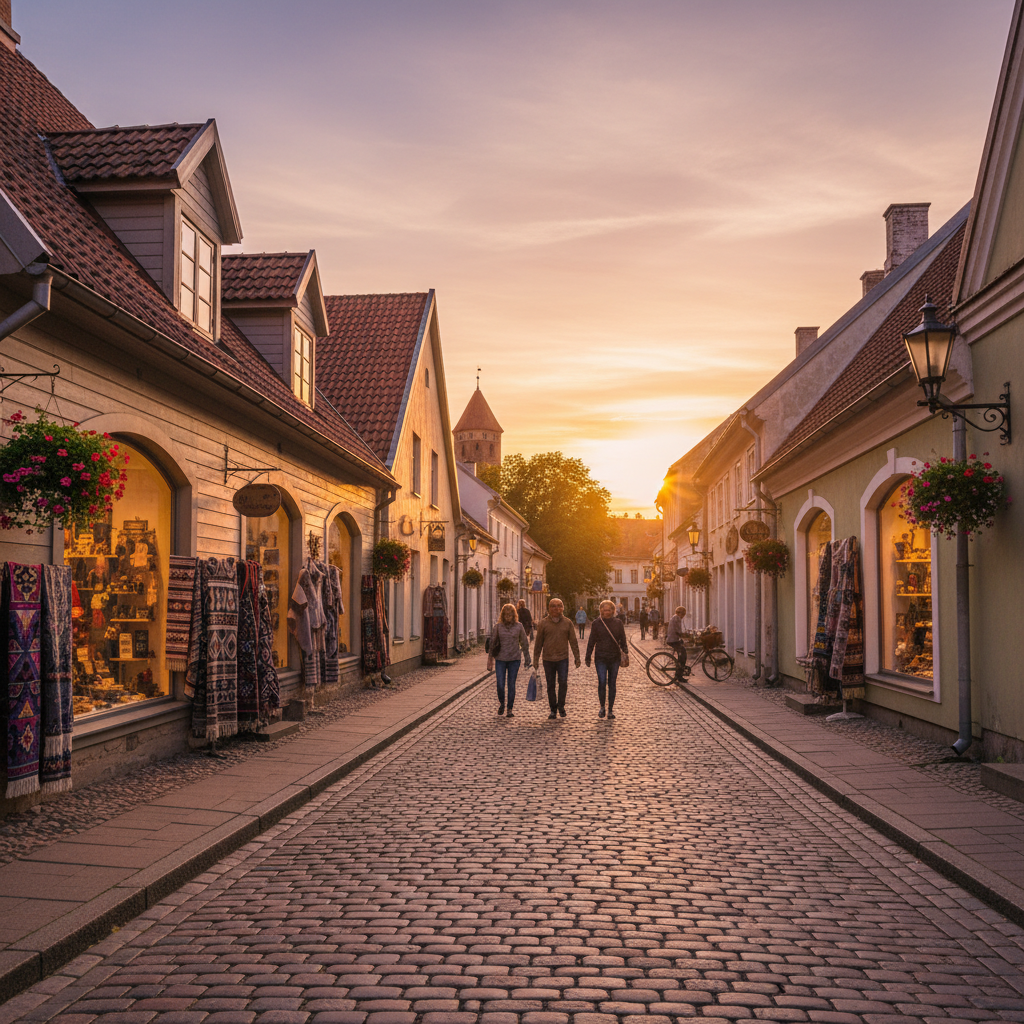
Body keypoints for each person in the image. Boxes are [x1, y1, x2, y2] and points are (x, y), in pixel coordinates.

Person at [534, 598, 581, 719]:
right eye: (553, 606)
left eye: (559, 606)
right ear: (549, 608)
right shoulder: (543, 623)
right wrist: (535, 659)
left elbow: (573, 641)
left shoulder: (567, 623)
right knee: (550, 685)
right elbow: (538, 642)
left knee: (563, 683)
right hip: (548, 659)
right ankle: (553, 709)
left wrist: (577, 657)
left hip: (562, 658)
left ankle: (561, 706)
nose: (556, 608)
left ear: (562, 608)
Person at [585, 599, 629, 720]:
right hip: (601, 657)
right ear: (601, 611)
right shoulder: (596, 623)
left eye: (609, 610)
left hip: (614, 657)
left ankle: (610, 709)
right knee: (602, 681)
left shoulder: (618, 623)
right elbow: (591, 640)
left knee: (612, 683)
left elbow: (623, 639)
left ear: (613, 610)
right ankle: (602, 707)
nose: (606, 612)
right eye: (604, 610)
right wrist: (588, 656)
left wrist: (625, 653)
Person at [487, 603, 531, 718]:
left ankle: (510, 708)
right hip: (500, 659)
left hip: (514, 659)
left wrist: (527, 658)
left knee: (511, 684)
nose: (508, 617)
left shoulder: (519, 626)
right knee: (500, 684)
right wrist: (489, 660)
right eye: (505, 615)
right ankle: (502, 703)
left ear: (513, 615)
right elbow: (492, 644)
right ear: (502, 615)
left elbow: (524, 643)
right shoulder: (498, 627)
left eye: (510, 615)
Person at [666, 605, 688, 680]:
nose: (683, 617)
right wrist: (685, 635)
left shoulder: (674, 617)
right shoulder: (677, 618)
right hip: (673, 640)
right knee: (683, 656)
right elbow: (677, 630)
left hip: (673, 639)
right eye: (683, 615)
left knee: (682, 653)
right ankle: (679, 675)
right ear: (681, 613)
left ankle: (679, 672)